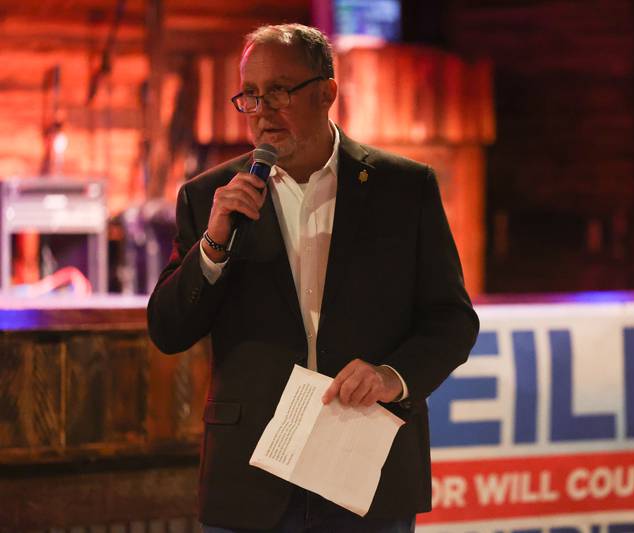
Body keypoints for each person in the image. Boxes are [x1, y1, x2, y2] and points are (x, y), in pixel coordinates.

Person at [147, 23, 478, 533]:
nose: (262, 112)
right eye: (250, 96)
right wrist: (212, 246)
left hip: (365, 475)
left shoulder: (404, 189)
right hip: (251, 480)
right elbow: (169, 330)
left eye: (279, 91)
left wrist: (392, 376)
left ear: (327, 92)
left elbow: (452, 320)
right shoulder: (210, 197)